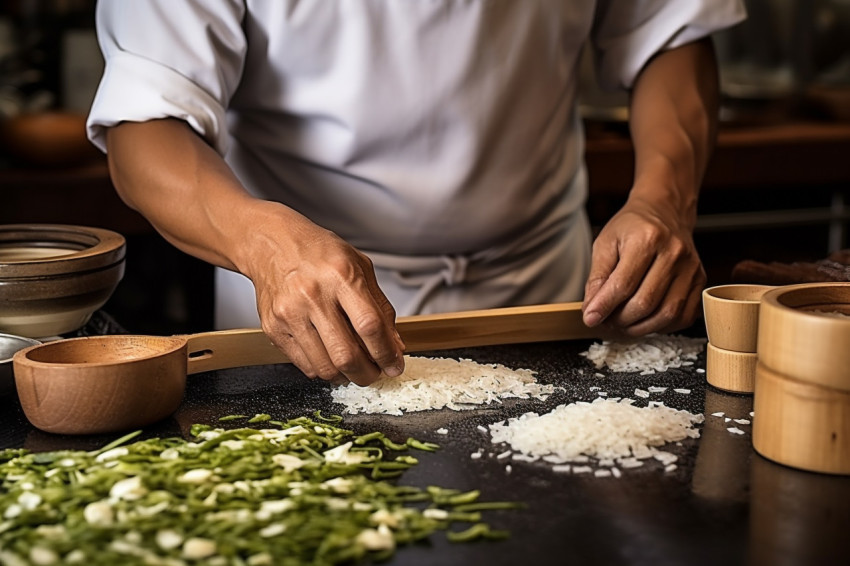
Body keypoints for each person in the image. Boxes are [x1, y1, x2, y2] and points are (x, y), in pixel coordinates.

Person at [87, 1, 746, 387]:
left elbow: (670, 32)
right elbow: (146, 127)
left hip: (552, 295)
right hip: (302, 313)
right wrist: (268, 249)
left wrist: (663, 200)